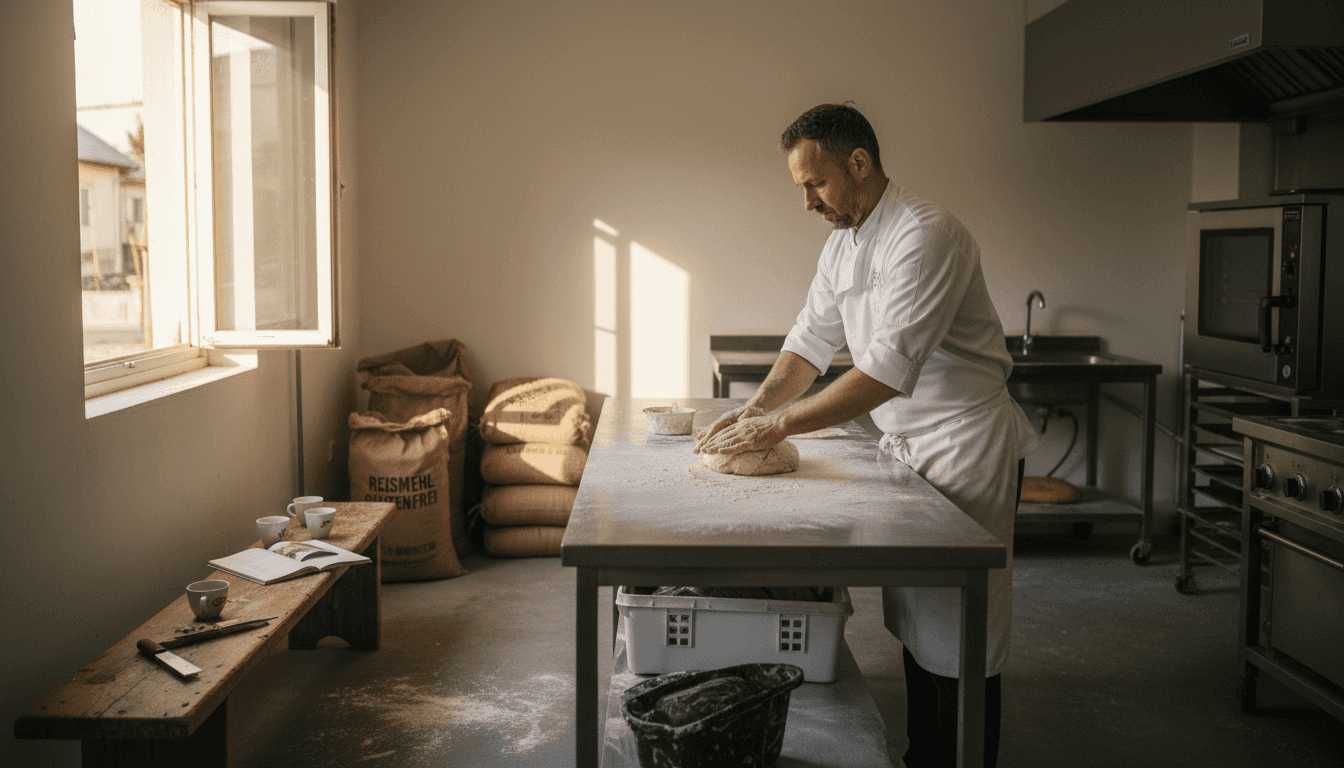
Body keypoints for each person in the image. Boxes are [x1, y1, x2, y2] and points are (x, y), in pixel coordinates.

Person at [694, 102, 1036, 768]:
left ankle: (963, 757)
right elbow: (811, 340)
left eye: (814, 183)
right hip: (908, 447)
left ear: (858, 162)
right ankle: (922, 754)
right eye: (801, 187)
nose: (806, 201)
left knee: (961, 633)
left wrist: (779, 424)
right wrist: (754, 406)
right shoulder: (843, 243)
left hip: (963, 445)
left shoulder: (926, 233)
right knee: (916, 621)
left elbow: (884, 371)